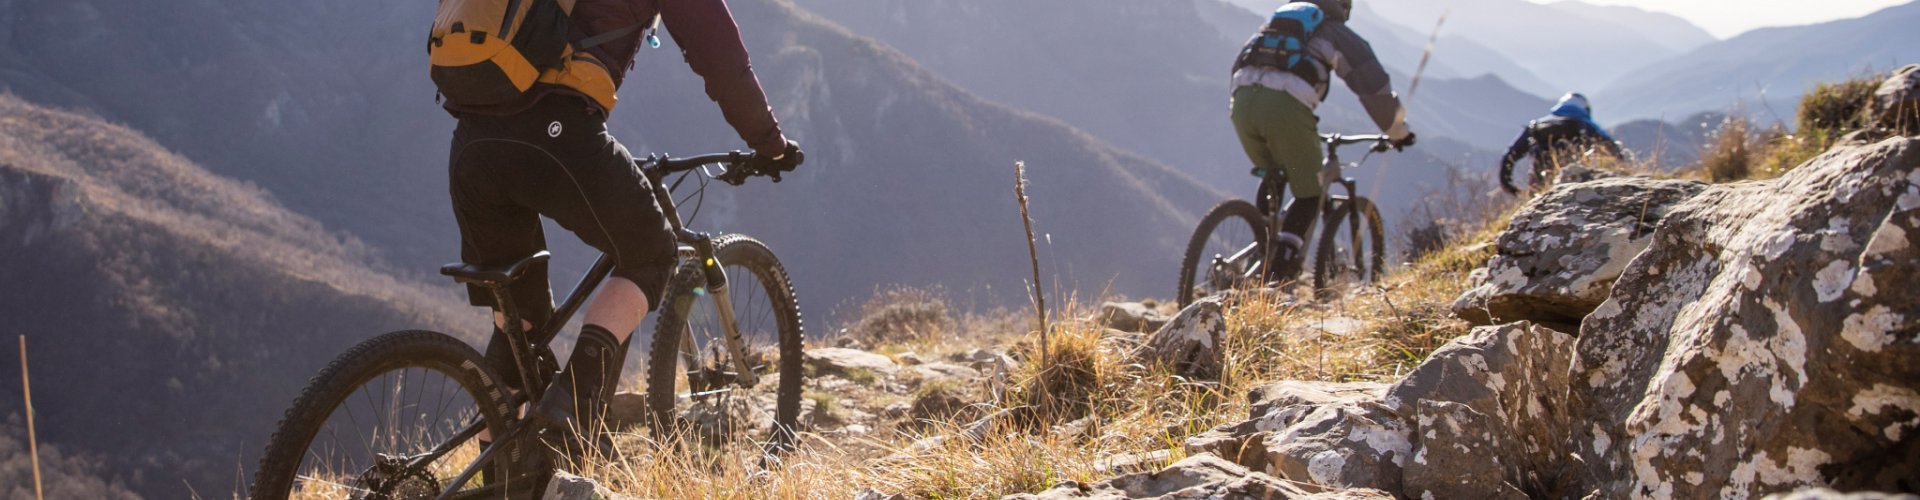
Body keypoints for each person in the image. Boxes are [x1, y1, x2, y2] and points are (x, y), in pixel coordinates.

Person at [441, 0, 802, 462]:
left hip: (471, 145)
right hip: (555, 132)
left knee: (519, 324)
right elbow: (722, 57)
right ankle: (576, 406)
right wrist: (769, 143)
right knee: (651, 253)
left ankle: (502, 484)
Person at [1230, 0, 1415, 282]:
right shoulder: (1333, 31)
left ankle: (1262, 246)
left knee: (1276, 172)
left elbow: (1241, 62)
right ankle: (1280, 269)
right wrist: (1397, 131)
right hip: (1285, 108)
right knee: (1310, 194)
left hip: (1241, 103)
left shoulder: (1275, 25)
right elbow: (1372, 83)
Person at [1497, 92, 1623, 194]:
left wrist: (1508, 185)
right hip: (1576, 182)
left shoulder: (1537, 125)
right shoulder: (1586, 125)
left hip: (1539, 181)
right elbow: (1613, 150)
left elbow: (1509, 155)